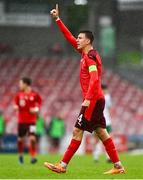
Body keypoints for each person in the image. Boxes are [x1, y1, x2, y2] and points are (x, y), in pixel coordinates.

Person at [44, 4, 125, 174]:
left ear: (88, 41)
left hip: (93, 99)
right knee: (102, 133)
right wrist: (58, 19)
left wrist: (88, 99)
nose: (77, 40)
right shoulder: (85, 54)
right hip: (97, 99)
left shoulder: (90, 57)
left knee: (77, 130)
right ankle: (118, 166)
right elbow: (68, 37)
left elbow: (95, 79)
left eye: (80, 38)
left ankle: (63, 165)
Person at [14, 77, 42, 164]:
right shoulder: (19, 95)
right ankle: (20, 156)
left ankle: (33, 157)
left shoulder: (34, 95)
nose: (20, 85)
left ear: (26, 84)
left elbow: (40, 103)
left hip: (31, 121)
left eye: (21, 83)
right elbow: (15, 104)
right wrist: (15, 107)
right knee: (20, 139)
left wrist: (36, 109)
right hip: (21, 121)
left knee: (32, 139)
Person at [93, 84, 113, 162]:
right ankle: (97, 156)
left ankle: (101, 157)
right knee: (104, 139)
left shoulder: (96, 96)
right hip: (102, 121)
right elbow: (109, 107)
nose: (106, 91)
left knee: (105, 139)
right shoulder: (107, 97)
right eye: (105, 90)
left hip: (105, 121)